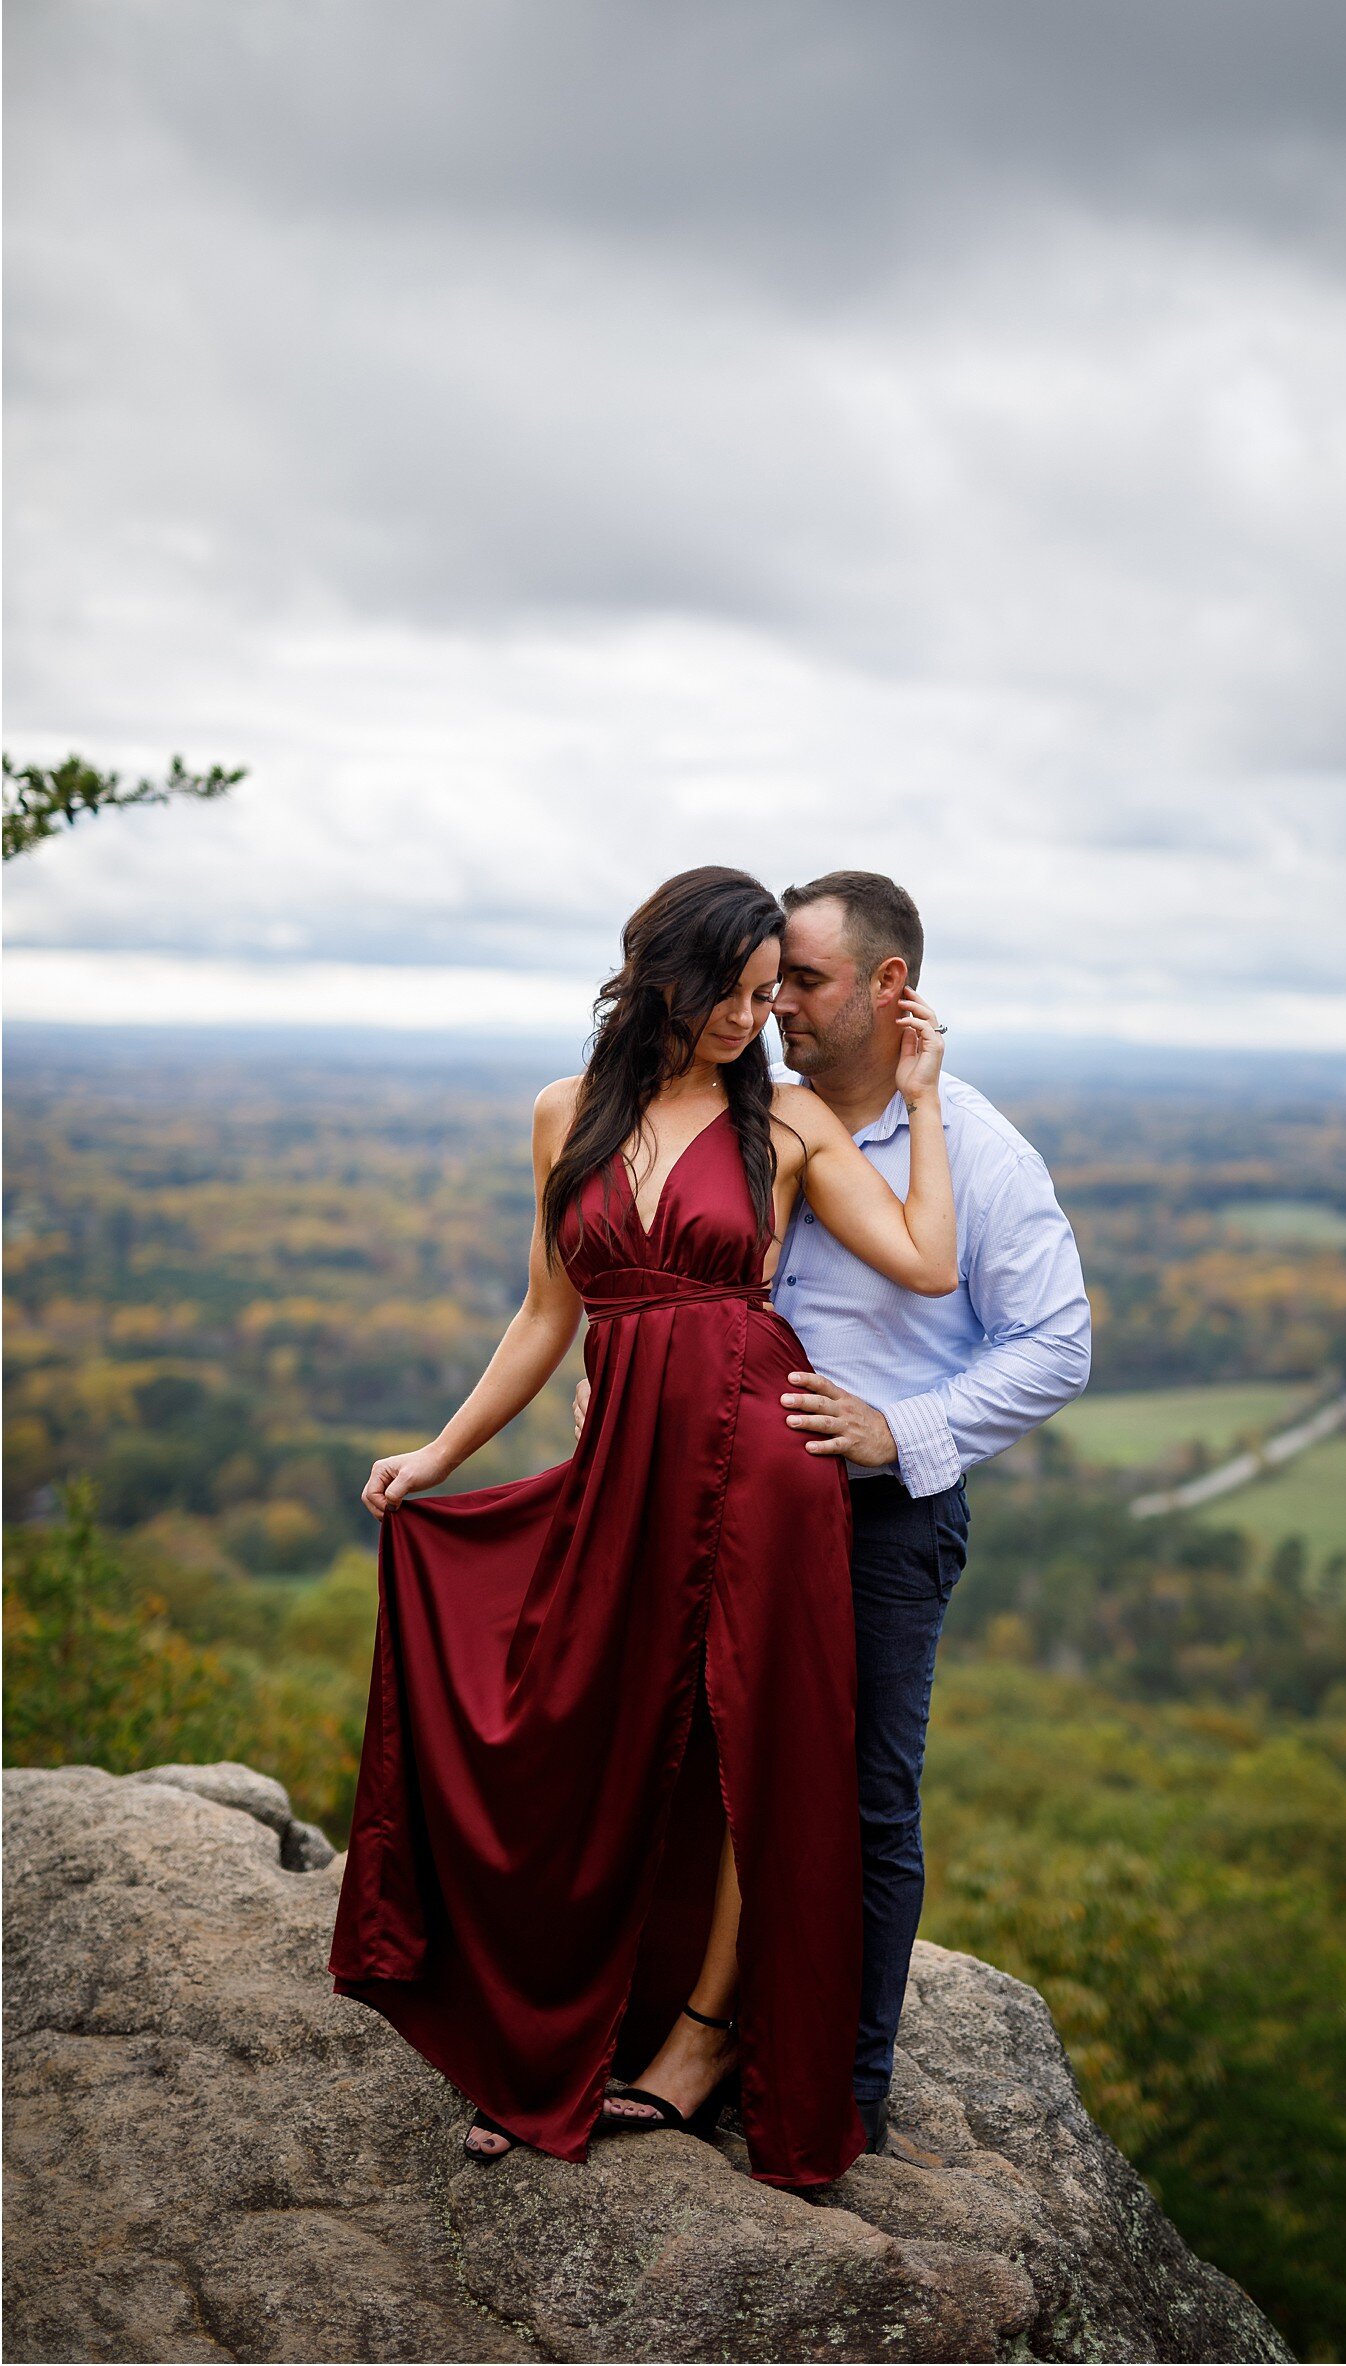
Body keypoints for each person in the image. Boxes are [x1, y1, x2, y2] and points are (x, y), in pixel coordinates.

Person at [328, 865, 956, 2191]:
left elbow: (926, 1258)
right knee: (583, 1724)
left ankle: (701, 2041)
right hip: (627, 1461)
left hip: (766, 1463)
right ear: (660, 974)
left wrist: (923, 1104)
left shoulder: (782, 1120)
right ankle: (552, 2033)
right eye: (735, 991)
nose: (756, 1014)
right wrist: (440, 1452)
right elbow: (549, 1313)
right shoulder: (566, 1113)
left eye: (771, 990)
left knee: (752, 1748)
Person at [577, 872, 1090, 2156]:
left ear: (888, 987)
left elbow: (1057, 1343)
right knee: (695, 1768)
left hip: (875, 1521)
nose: (772, 1006)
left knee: (856, 1800)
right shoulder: (754, 1115)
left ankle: (835, 2086)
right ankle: (666, 2029)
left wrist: (896, 1430)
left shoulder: (973, 1148)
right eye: (763, 982)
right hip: (712, 1503)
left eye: (797, 982)